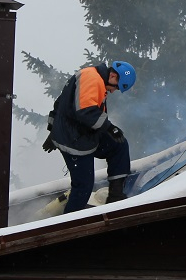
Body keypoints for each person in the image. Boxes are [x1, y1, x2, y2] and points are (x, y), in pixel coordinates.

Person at [43, 60, 137, 213]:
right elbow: (86, 111)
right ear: (113, 76)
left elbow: (61, 102)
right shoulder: (92, 79)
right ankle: (68, 227)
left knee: (119, 145)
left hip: (84, 134)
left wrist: (52, 128)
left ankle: (116, 196)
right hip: (74, 141)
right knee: (83, 187)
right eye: (116, 87)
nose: (113, 91)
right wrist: (110, 128)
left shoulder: (95, 78)